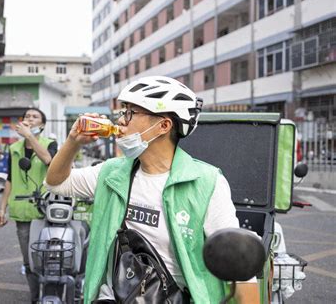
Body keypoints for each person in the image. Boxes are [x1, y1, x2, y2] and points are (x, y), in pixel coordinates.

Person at [45, 76, 260, 304]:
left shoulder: (206, 182)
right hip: (114, 297)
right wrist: (73, 141)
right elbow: (56, 182)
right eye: (123, 111)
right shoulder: (111, 173)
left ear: (164, 125)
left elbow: (241, 268)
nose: (120, 120)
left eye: (130, 112)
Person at [0, 107, 58, 302]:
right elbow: (10, 178)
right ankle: (35, 297)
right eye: (27, 116)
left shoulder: (51, 144)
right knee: (29, 260)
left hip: (44, 210)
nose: (30, 119)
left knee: (48, 258)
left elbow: (48, 160)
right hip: (22, 211)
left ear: (42, 124)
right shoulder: (14, 148)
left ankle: (49, 294)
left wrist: (30, 137)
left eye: (35, 116)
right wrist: (2, 207)